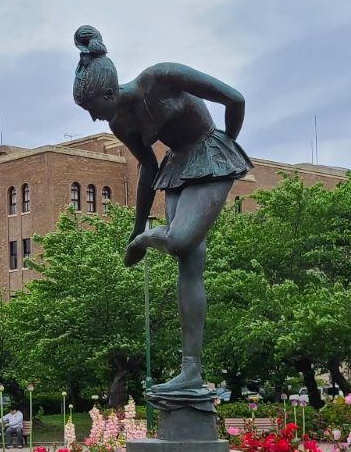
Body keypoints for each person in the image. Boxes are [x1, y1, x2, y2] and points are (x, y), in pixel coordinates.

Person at [73, 25, 251, 394]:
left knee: (180, 240)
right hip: (177, 170)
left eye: (93, 108)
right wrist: (135, 223)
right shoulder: (118, 121)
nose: (93, 118)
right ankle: (190, 370)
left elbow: (235, 99)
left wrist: (226, 149)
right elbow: (148, 169)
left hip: (211, 154)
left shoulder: (162, 77)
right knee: (188, 264)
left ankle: (146, 240)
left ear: (109, 91)